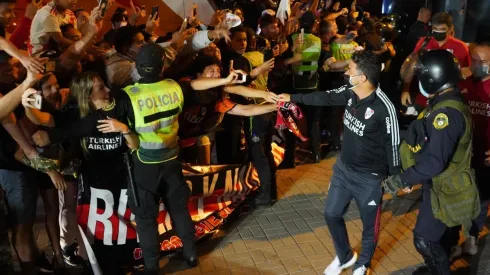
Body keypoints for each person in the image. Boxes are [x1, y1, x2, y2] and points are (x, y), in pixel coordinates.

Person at [277, 50, 400, 275]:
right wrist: (292, 97)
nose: (345, 71)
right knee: (331, 214)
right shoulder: (350, 91)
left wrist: (396, 177)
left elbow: (393, 145)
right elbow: (324, 97)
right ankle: (344, 256)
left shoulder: (385, 108)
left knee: (369, 227)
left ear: (362, 77)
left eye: (349, 69)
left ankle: (363, 264)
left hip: (369, 179)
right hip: (343, 170)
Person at [383, 49, 480, 275]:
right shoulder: (446, 99)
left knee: (424, 239)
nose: (418, 80)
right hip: (441, 183)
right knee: (442, 236)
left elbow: (435, 163)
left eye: (420, 76)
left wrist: (400, 180)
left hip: (445, 187)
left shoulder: (445, 115)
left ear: (433, 76)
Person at [400, 12, 471, 109]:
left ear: (450, 29)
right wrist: (405, 90)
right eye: (435, 29)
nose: (438, 32)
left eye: (442, 30)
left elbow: (467, 71)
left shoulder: (460, 47)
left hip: (448, 99)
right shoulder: (424, 43)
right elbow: (412, 67)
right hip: (423, 96)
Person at [460, 42, 490, 255]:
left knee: (481, 200)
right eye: (475, 61)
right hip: (464, 155)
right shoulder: (464, 84)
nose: (478, 65)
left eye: (484, 61)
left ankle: (472, 236)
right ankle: (455, 240)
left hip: (487, 158)